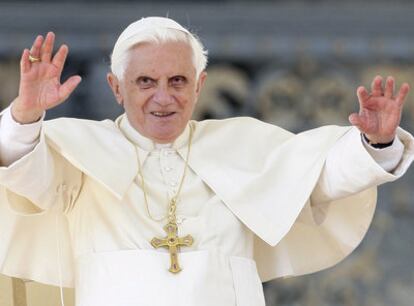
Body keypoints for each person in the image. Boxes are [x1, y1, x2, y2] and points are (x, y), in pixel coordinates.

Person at [0, 17, 413, 306]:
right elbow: (24, 174)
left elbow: (321, 175)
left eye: (177, 81)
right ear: (116, 87)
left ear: (199, 86)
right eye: (145, 82)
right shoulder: (77, 149)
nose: (163, 97)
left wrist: (375, 142)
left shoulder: (240, 144)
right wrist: (25, 115)